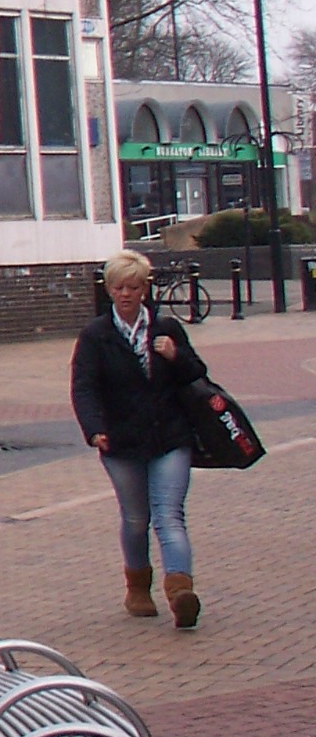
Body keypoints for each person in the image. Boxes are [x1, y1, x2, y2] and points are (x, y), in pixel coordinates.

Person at [72, 249, 230, 629]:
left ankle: (180, 593)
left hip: (169, 436)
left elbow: (196, 373)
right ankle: (137, 588)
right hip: (120, 441)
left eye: (134, 286)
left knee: (169, 514)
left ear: (145, 289)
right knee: (136, 517)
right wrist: (94, 430)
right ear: (109, 290)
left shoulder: (166, 328)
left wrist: (175, 356)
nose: (126, 294)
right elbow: (84, 388)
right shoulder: (96, 336)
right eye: (119, 287)